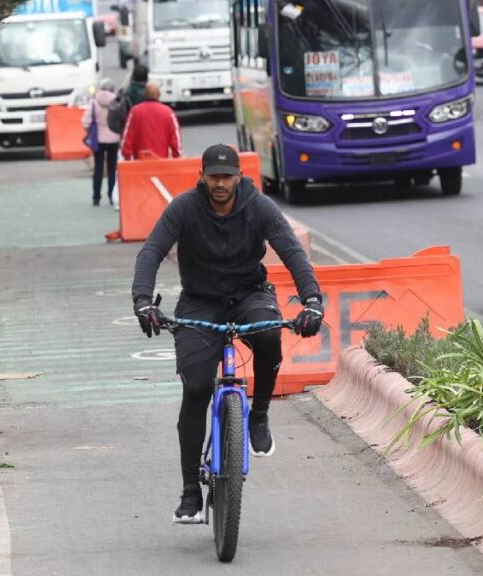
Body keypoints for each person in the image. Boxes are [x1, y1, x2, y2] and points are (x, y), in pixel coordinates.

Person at [131, 144, 325, 524]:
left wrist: (312, 300)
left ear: (239, 176)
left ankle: (259, 415)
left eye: (227, 176)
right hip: (199, 302)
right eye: (213, 176)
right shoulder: (185, 208)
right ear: (202, 176)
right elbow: (151, 251)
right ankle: (190, 489)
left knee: (270, 335)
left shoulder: (259, 207)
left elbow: (292, 252)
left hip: (249, 295)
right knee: (197, 388)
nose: (220, 184)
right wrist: (142, 300)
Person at [82, 78, 122, 206]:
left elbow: (85, 121)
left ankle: (96, 196)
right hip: (114, 138)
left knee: (98, 167)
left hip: (98, 139)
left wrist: (90, 130)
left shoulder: (93, 102)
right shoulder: (117, 102)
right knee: (111, 168)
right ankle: (111, 195)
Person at [120, 83, 181, 160]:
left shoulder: (135, 112)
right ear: (159, 95)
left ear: (145, 95)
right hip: (161, 163)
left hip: (140, 163)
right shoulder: (168, 112)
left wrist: (128, 157)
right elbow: (176, 140)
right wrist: (176, 155)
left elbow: (127, 138)